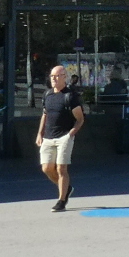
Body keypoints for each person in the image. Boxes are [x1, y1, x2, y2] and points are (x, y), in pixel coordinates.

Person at [36, 64, 85, 211]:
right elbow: (45, 115)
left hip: (64, 136)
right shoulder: (47, 95)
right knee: (46, 168)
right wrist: (40, 133)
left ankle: (61, 200)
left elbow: (80, 119)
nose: (54, 79)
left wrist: (71, 134)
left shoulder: (70, 96)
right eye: (52, 76)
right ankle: (66, 188)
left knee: (61, 168)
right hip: (48, 137)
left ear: (64, 77)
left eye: (57, 76)